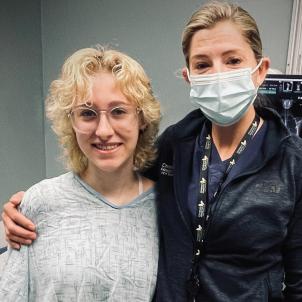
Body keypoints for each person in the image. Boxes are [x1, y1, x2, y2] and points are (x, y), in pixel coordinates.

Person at [2, 1, 302, 301]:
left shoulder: (292, 162)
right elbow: (112, 180)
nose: (219, 74)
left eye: (233, 60)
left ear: (260, 70)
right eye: (202, 64)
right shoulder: (176, 144)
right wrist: (28, 205)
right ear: (189, 77)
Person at [0, 47, 160, 301]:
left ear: (141, 118)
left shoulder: (168, 208)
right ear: (70, 121)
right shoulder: (40, 202)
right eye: (87, 113)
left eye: (119, 111)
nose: (104, 130)